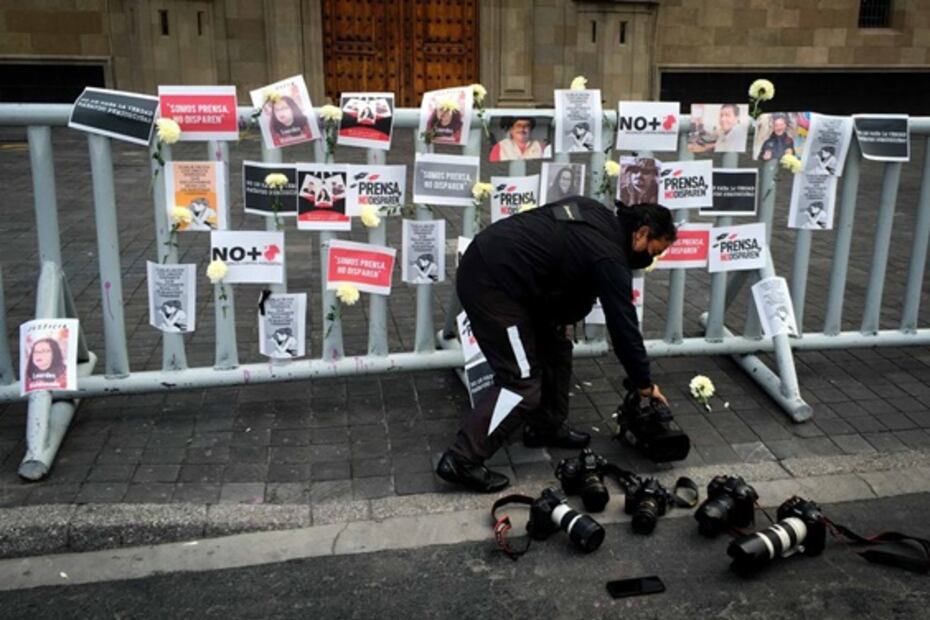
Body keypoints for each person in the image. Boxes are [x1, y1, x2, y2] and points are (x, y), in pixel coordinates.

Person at [436, 199, 676, 492]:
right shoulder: (609, 256)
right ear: (642, 233)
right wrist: (644, 383)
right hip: (493, 285)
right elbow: (624, 328)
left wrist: (558, 314)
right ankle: (462, 459)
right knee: (521, 382)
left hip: (512, 275)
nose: (651, 260)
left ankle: (545, 426)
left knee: (556, 344)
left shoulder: (598, 214)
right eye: (654, 251)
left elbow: (559, 257)